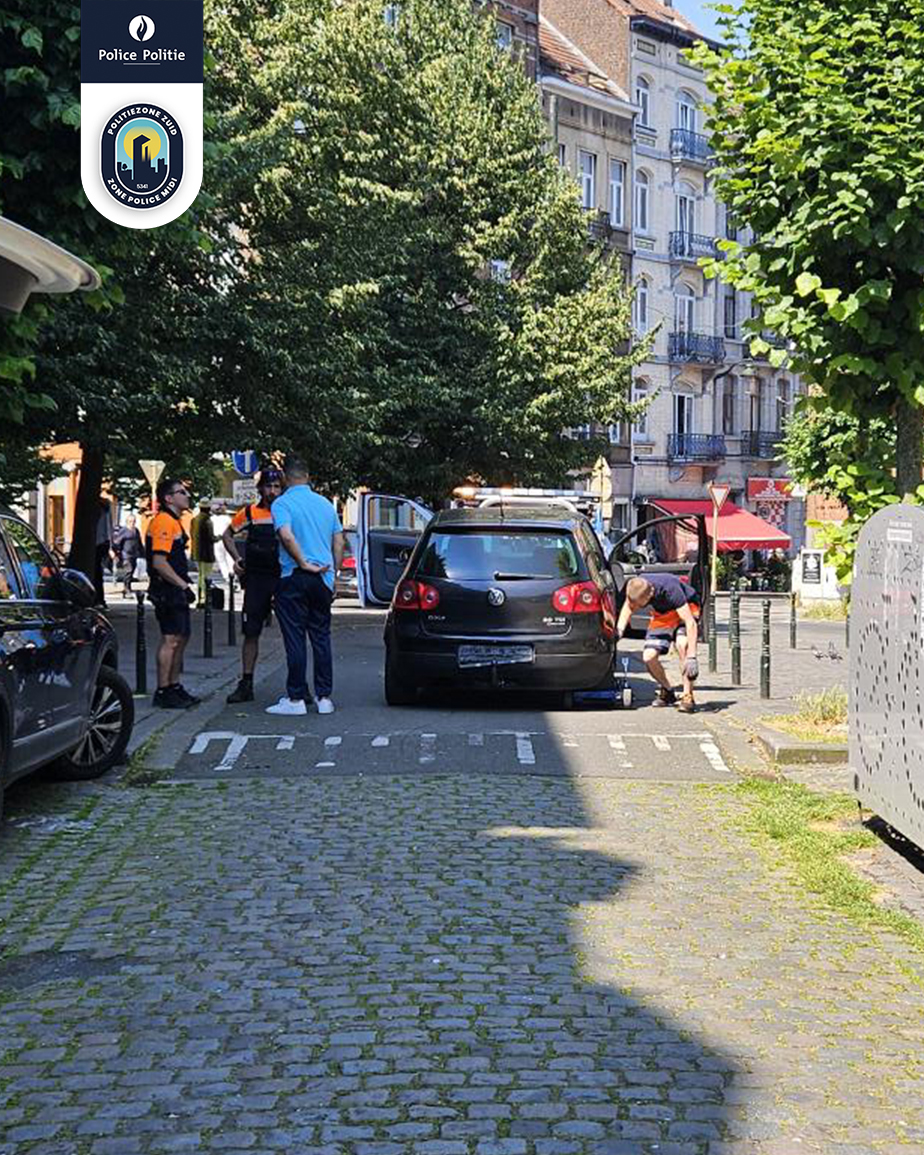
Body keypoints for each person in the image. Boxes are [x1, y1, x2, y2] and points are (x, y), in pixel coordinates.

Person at [266, 457, 343, 716]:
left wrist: (302, 562)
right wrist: (334, 573)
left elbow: (286, 535)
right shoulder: (325, 505)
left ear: (286, 479)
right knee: (321, 636)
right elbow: (339, 541)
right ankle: (324, 698)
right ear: (308, 476)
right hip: (323, 577)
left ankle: (296, 698)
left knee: (295, 637)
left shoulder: (282, 503)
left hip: (294, 576)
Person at [222, 469, 284, 703]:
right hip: (257, 579)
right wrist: (237, 559)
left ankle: (297, 684)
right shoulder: (249, 512)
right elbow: (227, 535)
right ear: (260, 489)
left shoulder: (287, 512)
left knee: (292, 630)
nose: (272, 491)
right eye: (269, 486)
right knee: (251, 633)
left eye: (277, 486)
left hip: (281, 577)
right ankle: (246, 683)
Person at [146, 478, 199, 709]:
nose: (186, 495)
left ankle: (174, 686)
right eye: (181, 492)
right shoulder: (164, 522)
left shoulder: (174, 522)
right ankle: (164, 689)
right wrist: (182, 585)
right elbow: (159, 562)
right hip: (167, 589)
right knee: (171, 639)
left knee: (181, 637)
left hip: (173, 588)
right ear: (168, 498)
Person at [616, 574, 700, 714]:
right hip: (662, 616)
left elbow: (690, 623)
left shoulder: (671, 590)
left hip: (686, 610)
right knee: (649, 657)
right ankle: (668, 691)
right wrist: (618, 632)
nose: (636, 607)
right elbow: (627, 608)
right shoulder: (637, 586)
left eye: (638, 605)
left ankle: (687, 696)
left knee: (682, 644)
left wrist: (692, 657)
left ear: (649, 596)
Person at [190, 499, 215, 605]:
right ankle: (204, 598)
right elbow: (211, 537)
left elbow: (191, 534)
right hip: (207, 553)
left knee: (200, 575)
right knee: (206, 576)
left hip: (196, 552)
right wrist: (219, 537)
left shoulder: (194, 520)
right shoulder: (208, 520)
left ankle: (200, 598)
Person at [114, 515, 143, 599]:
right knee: (128, 571)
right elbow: (117, 542)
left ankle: (126, 589)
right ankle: (127, 589)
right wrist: (117, 553)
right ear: (127, 522)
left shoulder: (136, 530)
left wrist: (142, 553)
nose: (132, 523)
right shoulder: (124, 531)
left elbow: (139, 542)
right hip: (125, 555)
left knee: (132, 572)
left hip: (134, 555)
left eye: (134, 521)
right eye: (130, 521)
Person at [94, 498, 114, 606]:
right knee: (98, 572)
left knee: (96, 572)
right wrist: (110, 545)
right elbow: (109, 527)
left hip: (98, 543)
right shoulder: (106, 508)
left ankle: (98, 598)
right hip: (104, 542)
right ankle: (100, 599)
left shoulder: (96, 508)